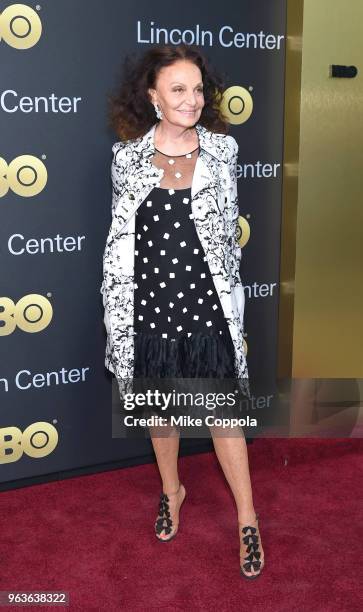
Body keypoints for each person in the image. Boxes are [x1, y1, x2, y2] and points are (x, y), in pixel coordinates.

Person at [103, 43, 265, 579]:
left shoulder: (224, 151)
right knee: (163, 413)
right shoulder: (126, 158)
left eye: (198, 89)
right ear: (152, 96)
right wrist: (117, 314)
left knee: (225, 419)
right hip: (149, 308)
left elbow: (225, 239)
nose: (192, 100)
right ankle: (173, 491)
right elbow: (119, 241)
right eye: (178, 90)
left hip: (206, 308)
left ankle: (247, 517)